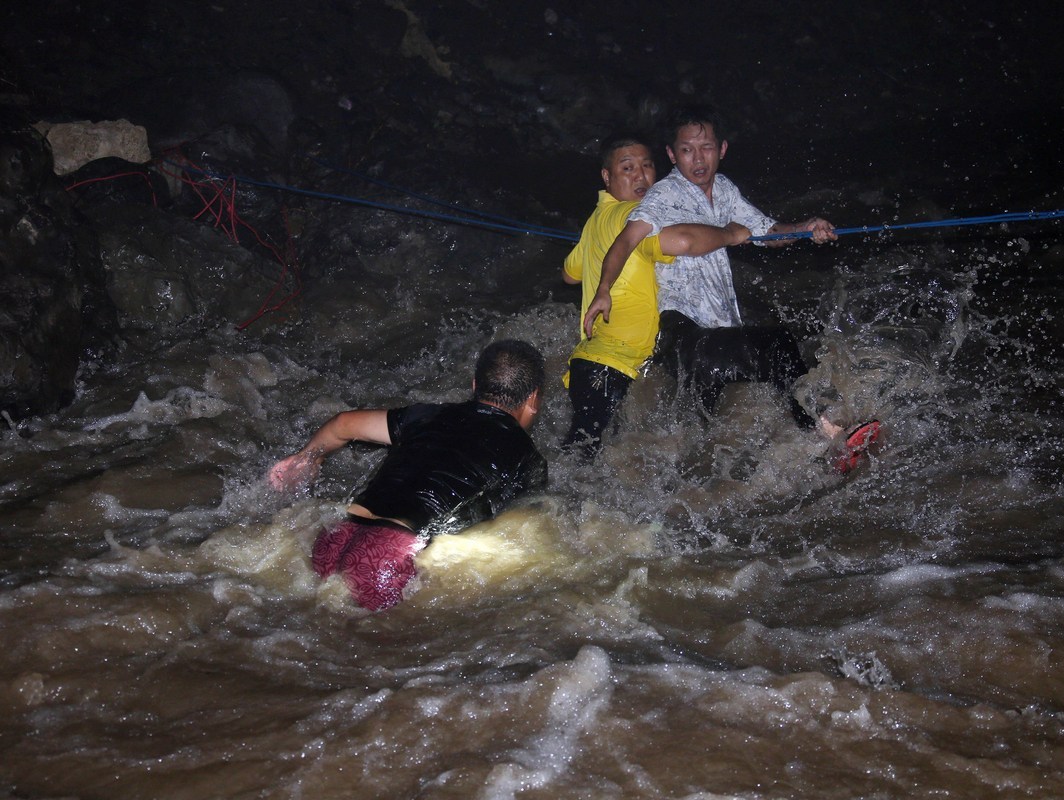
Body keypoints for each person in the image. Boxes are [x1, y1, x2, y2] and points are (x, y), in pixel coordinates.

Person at [585, 105, 879, 468]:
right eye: (687, 149)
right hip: (684, 337)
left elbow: (767, 233)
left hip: (716, 338)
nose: (698, 158)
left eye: (706, 147)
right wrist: (603, 290)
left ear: (722, 149)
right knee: (776, 344)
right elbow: (626, 240)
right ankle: (830, 434)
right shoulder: (663, 196)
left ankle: (810, 462)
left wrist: (808, 227)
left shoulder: (725, 191)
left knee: (709, 456)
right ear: (672, 155)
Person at [267, 339, 548, 611]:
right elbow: (516, 528)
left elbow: (343, 423)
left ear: (475, 386)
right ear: (533, 398)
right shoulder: (527, 457)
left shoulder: (425, 415)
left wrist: (308, 458)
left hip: (335, 539)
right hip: (388, 557)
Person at [561, 132, 750, 457]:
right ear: (607, 176)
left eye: (647, 166)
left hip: (592, 365)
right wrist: (730, 233)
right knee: (582, 463)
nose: (641, 176)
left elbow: (569, 273)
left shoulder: (595, 222)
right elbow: (683, 241)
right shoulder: (631, 216)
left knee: (594, 461)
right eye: (628, 168)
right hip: (611, 367)